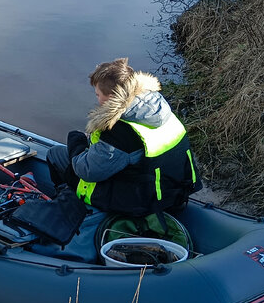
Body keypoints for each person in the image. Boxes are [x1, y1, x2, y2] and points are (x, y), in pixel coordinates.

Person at [47, 58, 200, 223]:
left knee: (56, 154)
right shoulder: (159, 110)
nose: (97, 100)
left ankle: (68, 210)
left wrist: (77, 142)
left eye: (98, 94)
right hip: (172, 192)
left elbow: (87, 171)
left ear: (112, 97)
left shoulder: (120, 132)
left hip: (140, 204)